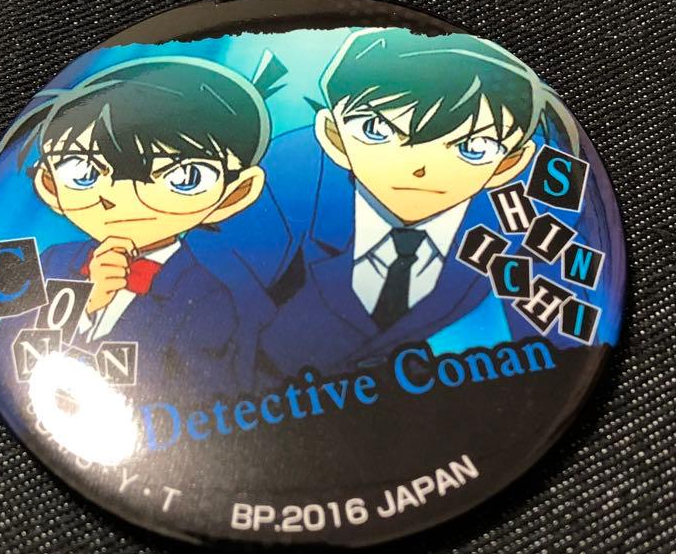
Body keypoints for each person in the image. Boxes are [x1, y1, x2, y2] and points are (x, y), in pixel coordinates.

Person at [236, 27, 592, 380]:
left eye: (473, 147)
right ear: (334, 137)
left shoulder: (531, 214)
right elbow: (219, 304)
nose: (420, 167)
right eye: (377, 130)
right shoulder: (283, 178)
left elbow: (561, 340)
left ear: (508, 165)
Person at [0, 52, 285, 405]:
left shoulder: (205, 297)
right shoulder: (49, 261)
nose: (122, 196)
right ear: (49, 184)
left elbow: (198, 408)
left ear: (234, 194)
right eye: (84, 172)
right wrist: (84, 304)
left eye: (184, 177)